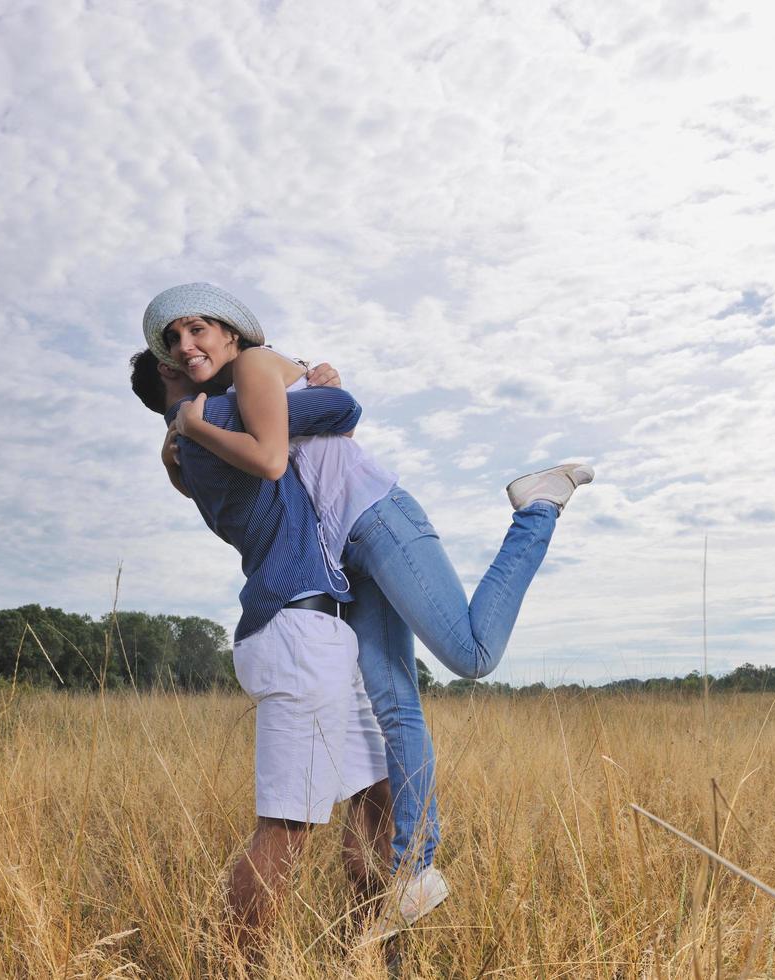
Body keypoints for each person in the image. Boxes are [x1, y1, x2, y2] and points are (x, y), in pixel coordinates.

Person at [142, 282, 594, 940]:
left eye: (197, 331)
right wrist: (183, 435)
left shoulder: (254, 370)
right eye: (174, 344)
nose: (186, 348)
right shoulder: (224, 407)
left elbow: (338, 413)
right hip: (344, 555)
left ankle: (536, 509)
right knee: (392, 708)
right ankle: (412, 871)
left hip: (375, 517)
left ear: (233, 333)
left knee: (471, 656)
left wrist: (203, 420)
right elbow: (304, 426)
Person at [129, 351, 392, 955]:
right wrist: (292, 367)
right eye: (181, 349)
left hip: (308, 629)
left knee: (375, 797)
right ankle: (234, 967)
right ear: (170, 376)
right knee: (286, 827)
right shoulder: (217, 414)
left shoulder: (195, 446)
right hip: (298, 631)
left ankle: (371, 952)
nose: (204, 354)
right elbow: (340, 408)